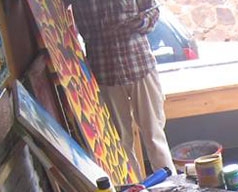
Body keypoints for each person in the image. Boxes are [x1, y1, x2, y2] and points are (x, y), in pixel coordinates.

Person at [71, 0, 176, 177]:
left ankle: (173, 188)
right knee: (119, 142)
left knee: (154, 135)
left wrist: (140, 23)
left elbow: (153, 11)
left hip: (140, 65)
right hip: (105, 73)